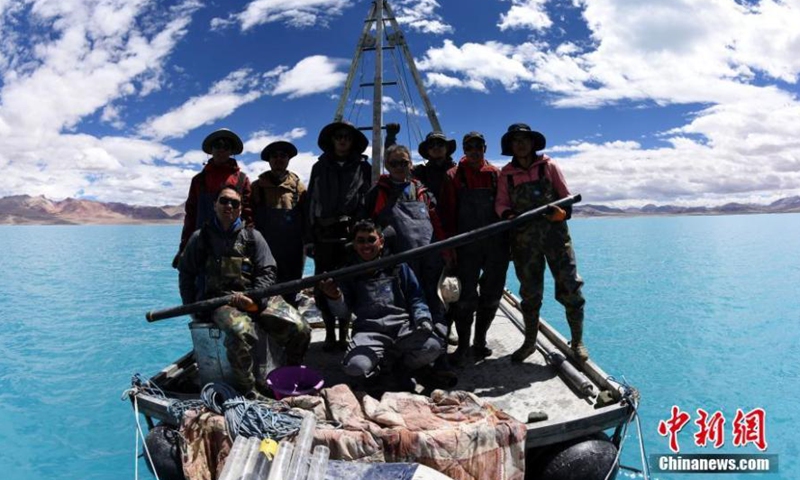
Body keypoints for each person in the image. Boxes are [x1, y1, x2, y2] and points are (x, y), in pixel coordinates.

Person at [178, 187, 311, 398]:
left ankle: (288, 374)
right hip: (222, 302)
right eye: (224, 201)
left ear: (240, 209)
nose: (229, 206)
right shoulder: (199, 238)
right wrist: (194, 308)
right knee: (241, 332)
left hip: (257, 297)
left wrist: (254, 299)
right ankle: (248, 389)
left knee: (301, 328)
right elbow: (186, 274)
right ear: (215, 205)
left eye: (235, 203)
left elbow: (268, 271)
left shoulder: (253, 237)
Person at [494, 123, 588, 362]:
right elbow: (501, 204)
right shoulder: (506, 174)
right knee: (530, 294)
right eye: (515, 140)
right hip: (524, 244)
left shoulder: (549, 166)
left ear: (533, 142)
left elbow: (566, 199)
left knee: (570, 289)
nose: (521, 144)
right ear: (510, 146)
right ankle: (530, 343)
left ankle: (577, 343)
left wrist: (562, 214)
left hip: (556, 240)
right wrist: (507, 215)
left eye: (524, 139)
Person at [319, 220, 446, 388]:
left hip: (402, 329)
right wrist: (334, 296)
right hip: (369, 332)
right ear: (355, 245)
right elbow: (342, 313)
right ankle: (381, 369)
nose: (366, 245)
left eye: (371, 240)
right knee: (355, 368)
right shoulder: (348, 272)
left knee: (433, 346)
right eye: (361, 241)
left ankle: (401, 367)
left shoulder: (399, 266)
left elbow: (416, 297)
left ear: (381, 241)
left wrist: (423, 319)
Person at [438, 132, 510, 366]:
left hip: (496, 246)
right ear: (463, 149)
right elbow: (446, 215)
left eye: (478, 145)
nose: (474, 150)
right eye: (469, 146)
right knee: (465, 300)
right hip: (466, 247)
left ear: (485, 147)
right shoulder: (453, 176)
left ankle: (480, 341)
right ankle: (463, 346)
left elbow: (504, 207)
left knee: (491, 296)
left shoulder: (496, 175)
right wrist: (450, 248)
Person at [305, 121, 373, 351]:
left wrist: (361, 236)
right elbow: (311, 201)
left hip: (350, 236)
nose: (342, 140)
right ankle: (330, 333)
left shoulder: (363, 167)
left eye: (347, 136)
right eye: (338, 137)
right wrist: (309, 238)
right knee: (320, 284)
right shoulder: (319, 167)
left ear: (352, 141)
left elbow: (366, 201)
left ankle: (345, 332)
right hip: (323, 235)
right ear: (332, 141)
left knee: (348, 282)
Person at [173, 128, 252, 268]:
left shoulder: (242, 179)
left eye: (226, 146)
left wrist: (251, 246)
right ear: (211, 150)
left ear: (231, 151)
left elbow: (248, 215)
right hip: (202, 243)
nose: (221, 149)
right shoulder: (199, 180)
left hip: (234, 245)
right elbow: (191, 216)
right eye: (217, 145)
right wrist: (184, 248)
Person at [251, 140, 306, 306]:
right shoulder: (257, 187)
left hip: (293, 252)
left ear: (288, 159)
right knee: (264, 292)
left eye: (283, 155)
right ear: (269, 160)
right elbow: (249, 217)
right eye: (274, 156)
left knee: (291, 292)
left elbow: (307, 217)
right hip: (264, 249)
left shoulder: (299, 187)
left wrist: (309, 242)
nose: (279, 159)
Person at [413, 131, 457, 203]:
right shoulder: (419, 172)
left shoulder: (458, 172)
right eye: (431, 145)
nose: (436, 147)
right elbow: (397, 170)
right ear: (427, 151)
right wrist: (391, 139)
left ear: (447, 148)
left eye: (440, 144)